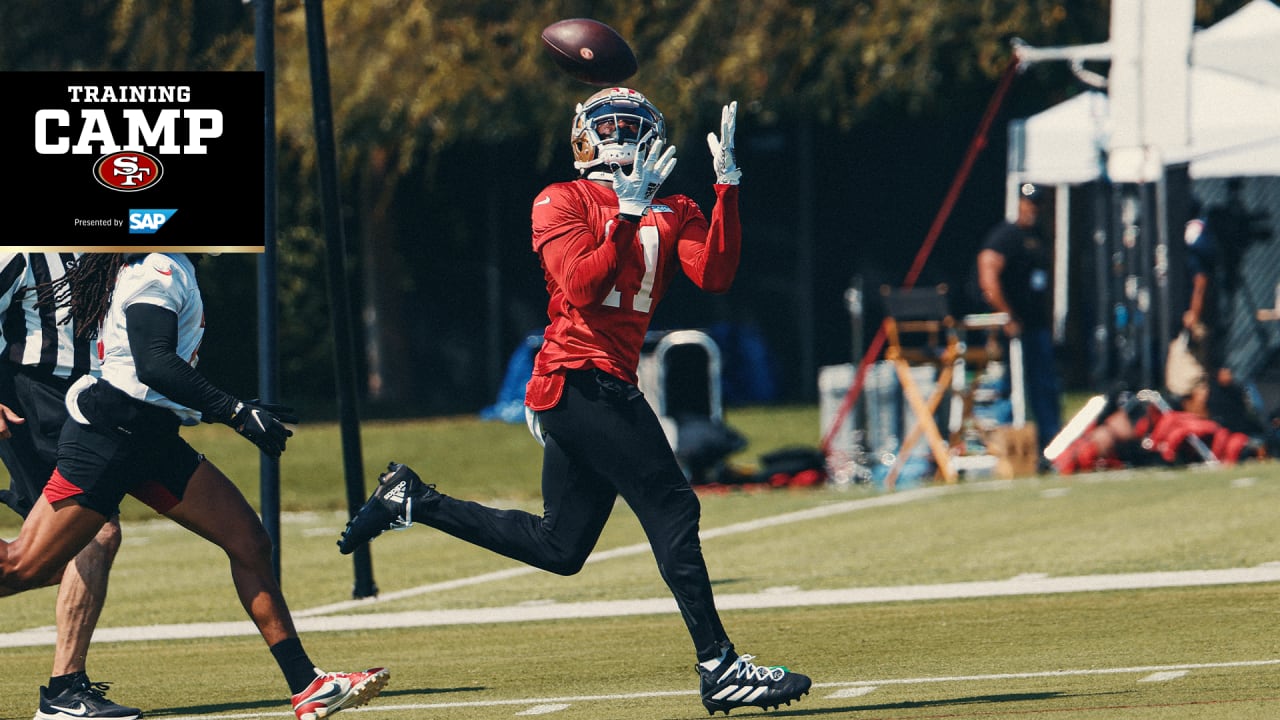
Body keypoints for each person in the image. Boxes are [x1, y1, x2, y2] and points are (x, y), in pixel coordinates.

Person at [338, 87, 811, 715]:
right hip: (580, 377)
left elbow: (715, 274)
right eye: (608, 124)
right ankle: (720, 666)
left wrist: (727, 191)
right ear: (583, 136)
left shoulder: (676, 203)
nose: (618, 134)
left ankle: (414, 501)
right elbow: (584, 288)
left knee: (560, 548)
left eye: (630, 124)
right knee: (674, 511)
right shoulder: (560, 199)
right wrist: (623, 214)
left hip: (597, 382)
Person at [0, 253, 389, 720]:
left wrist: (228, 410)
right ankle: (62, 699)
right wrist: (235, 412)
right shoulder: (157, 269)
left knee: (248, 540)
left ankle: (309, 686)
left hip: (150, 436)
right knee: (22, 567)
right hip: (110, 435)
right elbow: (155, 364)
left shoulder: (167, 263)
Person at [0, 252, 137, 719]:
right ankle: (64, 691)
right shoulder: (21, 252)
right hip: (33, 397)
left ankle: (66, 690)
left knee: (71, 547)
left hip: (95, 396)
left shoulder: (110, 246)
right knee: (94, 535)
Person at [976, 182, 1062, 458]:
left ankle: (1051, 447)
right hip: (1016, 329)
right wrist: (1006, 314)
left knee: (1044, 387)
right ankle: (1007, 451)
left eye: (1037, 203)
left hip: (1036, 327)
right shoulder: (1007, 235)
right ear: (1019, 203)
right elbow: (988, 273)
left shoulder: (1039, 238)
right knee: (1011, 388)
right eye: (1028, 202)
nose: (1032, 209)